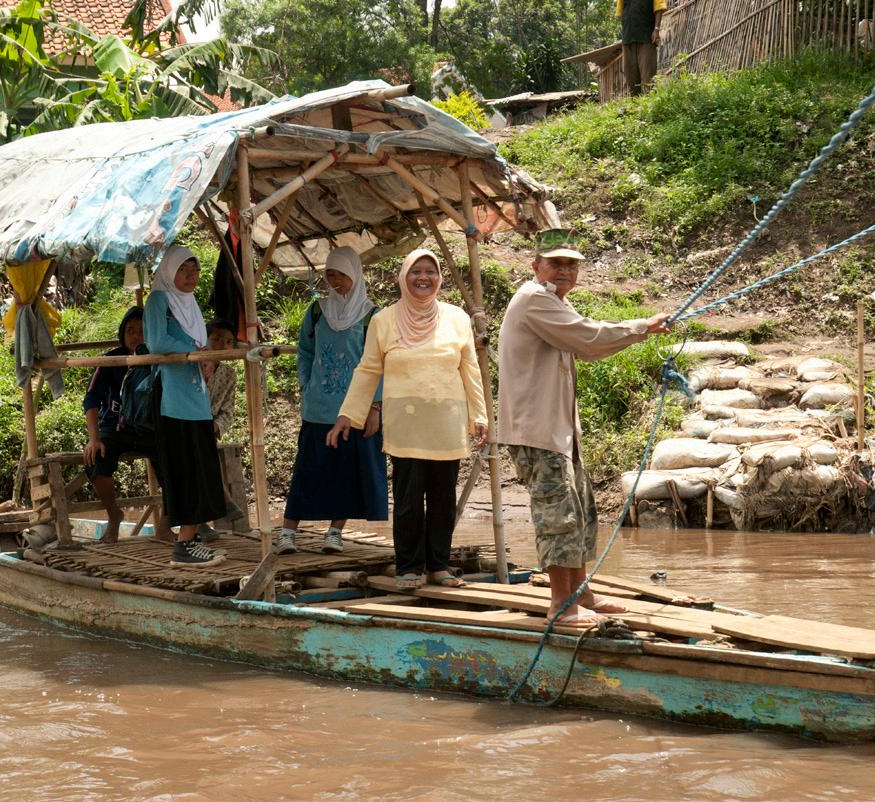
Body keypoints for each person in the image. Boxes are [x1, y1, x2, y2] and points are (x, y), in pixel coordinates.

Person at [497, 229, 671, 627]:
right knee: (558, 515)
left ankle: (581, 592)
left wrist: (641, 330)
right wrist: (643, 326)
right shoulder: (534, 298)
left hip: (560, 430)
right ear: (535, 265)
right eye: (555, 263)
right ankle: (561, 605)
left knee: (579, 511)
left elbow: (585, 347)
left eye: (571, 265)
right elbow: (588, 338)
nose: (564, 271)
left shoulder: (556, 302)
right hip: (538, 429)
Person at [329, 248, 487, 590]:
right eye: (416, 271)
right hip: (406, 423)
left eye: (430, 271)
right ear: (403, 277)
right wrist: (348, 414)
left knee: (443, 499)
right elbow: (368, 369)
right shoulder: (384, 320)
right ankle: (410, 567)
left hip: (446, 421)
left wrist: (480, 415)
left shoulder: (457, 318)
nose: (423, 278)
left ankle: (439, 566)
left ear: (439, 278)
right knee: (408, 499)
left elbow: (470, 369)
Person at [279, 247, 387, 556]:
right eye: (330, 275)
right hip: (319, 409)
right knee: (308, 471)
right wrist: (306, 385)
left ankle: (334, 532)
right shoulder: (317, 311)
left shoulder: (372, 316)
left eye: (341, 275)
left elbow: (381, 363)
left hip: (356, 411)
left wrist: (375, 407)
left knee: (346, 475)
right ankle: (287, 532)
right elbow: (305, 352)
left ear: (355, 275)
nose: (335, 281)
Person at [144, 245, 227, 567]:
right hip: (172, 398)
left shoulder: (190, 304)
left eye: (195, 270)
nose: (191, 276)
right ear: (169, 271)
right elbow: (156, 342)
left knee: (201, 468)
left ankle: (190, 540)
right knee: (185, 470)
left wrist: (204, 357)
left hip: (196, 399)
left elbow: (201, 345)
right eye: (183, 270)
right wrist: (194, 350)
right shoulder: (159, 300)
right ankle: (183, 545)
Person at [82, 307, 169, 544]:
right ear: (122, 333)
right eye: (130, 330)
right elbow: (91, 399)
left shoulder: (160, 360)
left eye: (142, 331)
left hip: (151, 428)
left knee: (176, 462)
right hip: (115, 428)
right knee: (95, 458)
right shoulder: (110, 360)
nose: (136, 336)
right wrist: (94, 438)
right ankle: (114, 516)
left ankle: (165, 525)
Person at [197, 318, 241, 541]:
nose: (223, 345)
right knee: (198, 452)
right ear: (204, 340)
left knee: (203, 447)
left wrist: (216, 425)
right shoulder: (193, 365)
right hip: (188, 424)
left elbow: (227, 411)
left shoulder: (229, 374)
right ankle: (222, 499)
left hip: (208, 429)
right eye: (216, 339)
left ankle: (201, 521)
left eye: (228, 341)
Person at [619, 0, 667, 95]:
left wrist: (656, 29)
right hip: (628, 38)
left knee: (648, 75)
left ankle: (650, 102)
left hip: (646, 37)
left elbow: (659, 8)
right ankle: (635, 102)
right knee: (630, 76)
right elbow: (620, 12)